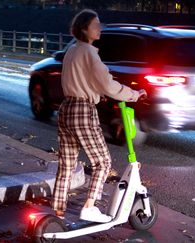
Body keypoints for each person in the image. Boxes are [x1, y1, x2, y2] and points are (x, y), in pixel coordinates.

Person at [52, 9, 147, 223]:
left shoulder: (72, 50)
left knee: (67, 163)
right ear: (85, 29)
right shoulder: (89, 52)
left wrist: (95, 92)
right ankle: (89, 206)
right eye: (96, 25)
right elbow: (106, 84)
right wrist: (134, 94)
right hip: (83, 110)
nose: (100, 28)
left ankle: (57, 211)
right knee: (103, 163)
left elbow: (85, 80)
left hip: (66, 108)